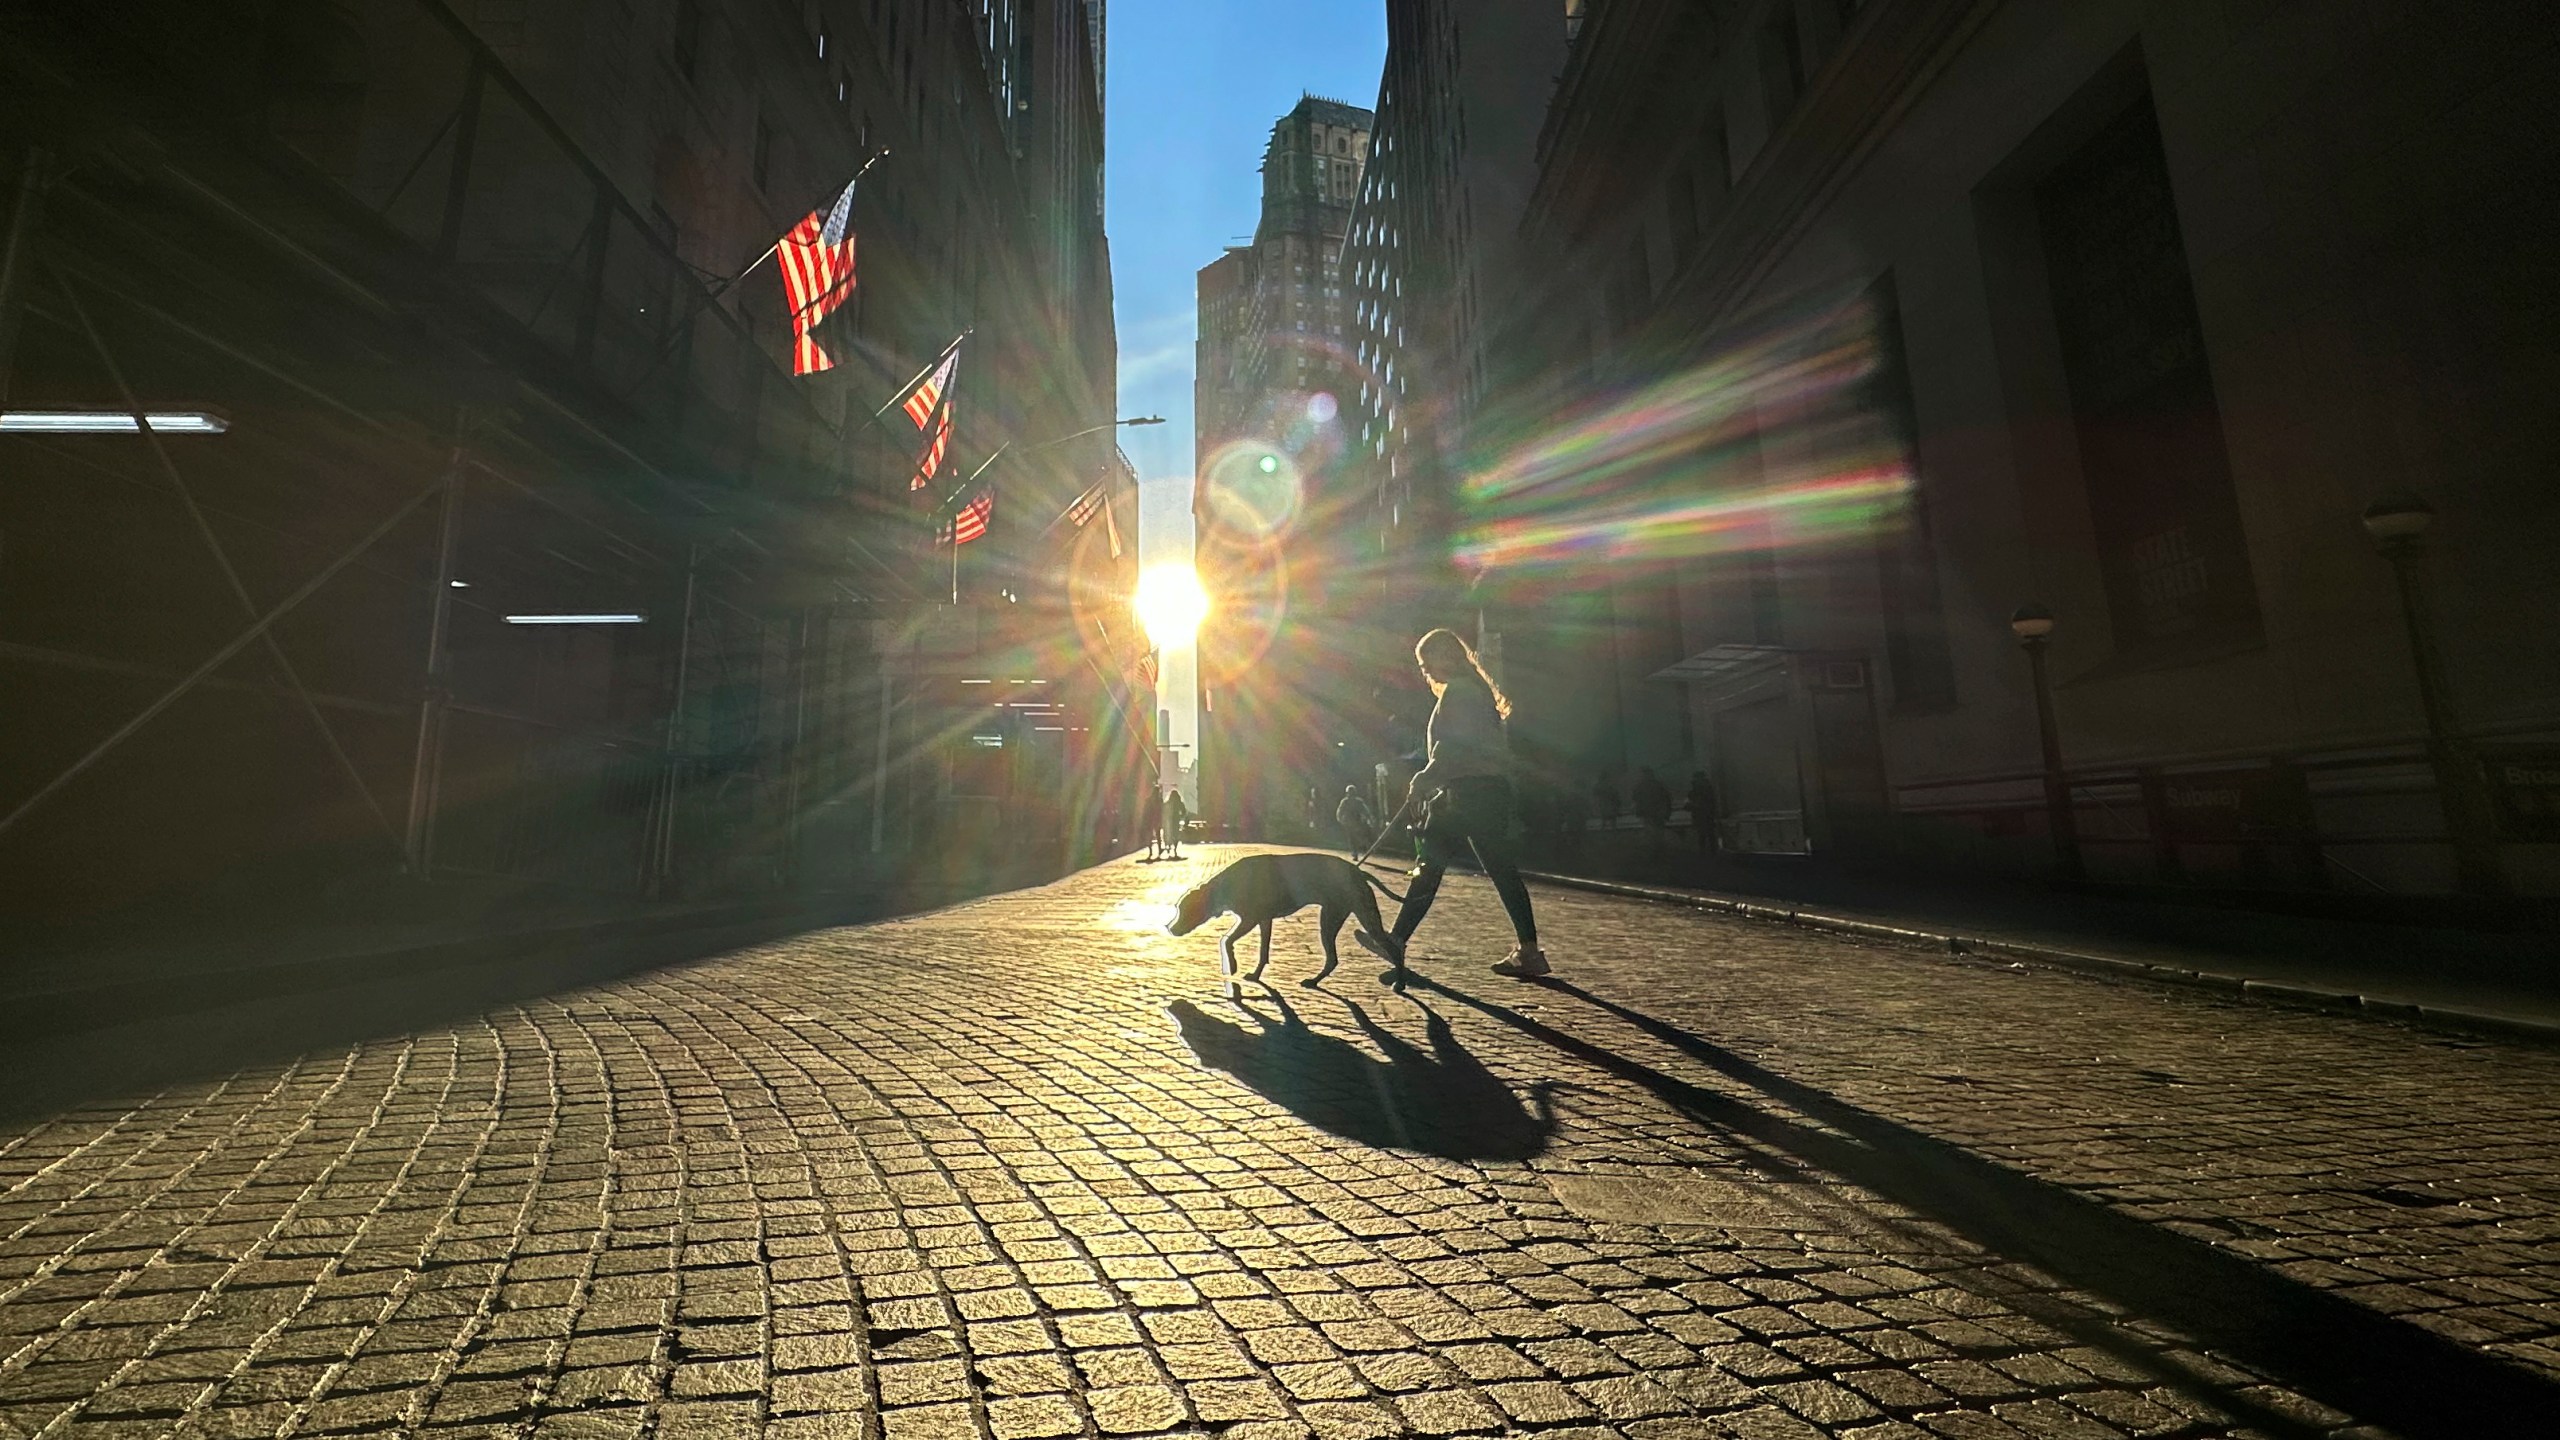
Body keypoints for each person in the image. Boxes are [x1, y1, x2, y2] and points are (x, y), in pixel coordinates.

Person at [1356, 628, 1549, 978]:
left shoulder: (1459, 693)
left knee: (1432, 864)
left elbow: (1453, 748)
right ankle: (1529, 951)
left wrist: (1423, 780)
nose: (1424, 669)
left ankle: (1397, 940)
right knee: (1499, 869)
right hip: (1483, 791)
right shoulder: (1471, 691)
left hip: (1470, 792)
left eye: (1426, 661)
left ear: (1445, 656)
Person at [1631, 767, 1672, 852]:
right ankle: (1659, 847)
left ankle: (1654, 848)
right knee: (1657, 830)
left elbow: (1635, 798)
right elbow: (1667, 797)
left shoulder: (1640, 786)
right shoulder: (1658, 784)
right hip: (1656, 811)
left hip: (1648, 811)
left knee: (1651, 831)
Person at [1687, 769, 1720, 855]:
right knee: (1706, 834)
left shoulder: (1703, 789)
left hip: (1704, 814)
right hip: (1704, 814)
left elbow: (1708, 801)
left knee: (1706, 834)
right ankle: (1710, 851)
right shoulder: (1705, 788)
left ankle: (1708, 851)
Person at [1164, 788, 1189, 859]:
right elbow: (1184, 812)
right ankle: (1174, 850)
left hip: (1169, 821)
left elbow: (1164, 811)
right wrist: (1181, 816)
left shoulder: (1168, 803)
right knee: (1176, 835)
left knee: (1169, 835)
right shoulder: (1179, 803)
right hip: (1176, 820)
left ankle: (1169, 849)